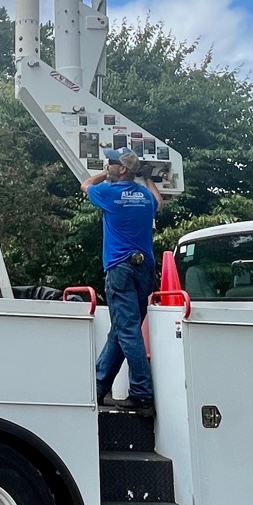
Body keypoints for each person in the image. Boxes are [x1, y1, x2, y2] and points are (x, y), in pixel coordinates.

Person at [86, 149, 163, 412]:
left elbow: (85, 185)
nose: (108, 165)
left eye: (112, 163)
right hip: (145, 270)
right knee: (121, 329)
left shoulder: (109, 193)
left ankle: (142, 393)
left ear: (122, 170)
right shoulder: (144, 196)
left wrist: (103, 174)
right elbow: (158, 201)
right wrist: (147, 178)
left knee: (128, 331)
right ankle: (98, 386)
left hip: (120, 268)